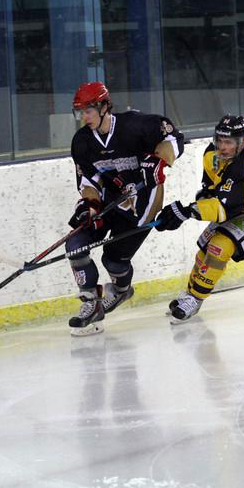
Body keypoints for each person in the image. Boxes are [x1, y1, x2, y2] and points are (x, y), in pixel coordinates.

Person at [67, 81, 184, 336]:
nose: (84, 117)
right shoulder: (82, 142)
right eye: (80, 112)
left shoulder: (136, 125)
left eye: (88, 110)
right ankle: (91, 303)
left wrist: (159, 160)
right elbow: (88, 181)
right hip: (110, 199)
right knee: (76, 245)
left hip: (142, 202)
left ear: (104, 106)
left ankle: (120, 291)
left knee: (113, 259)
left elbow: (173, 138)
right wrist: (90, 205)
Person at [155, 114, 244, 324]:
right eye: (219, 140)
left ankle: (196, 299)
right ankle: (191, 292)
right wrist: (197, 202)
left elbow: (224, 207)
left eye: (228, 142)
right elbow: (211, 190)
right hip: (236, 207)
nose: (222, 146)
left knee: (219, 246)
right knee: (204, 249)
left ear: (243, 142)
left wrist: (186, 211)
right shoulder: (211, 153)